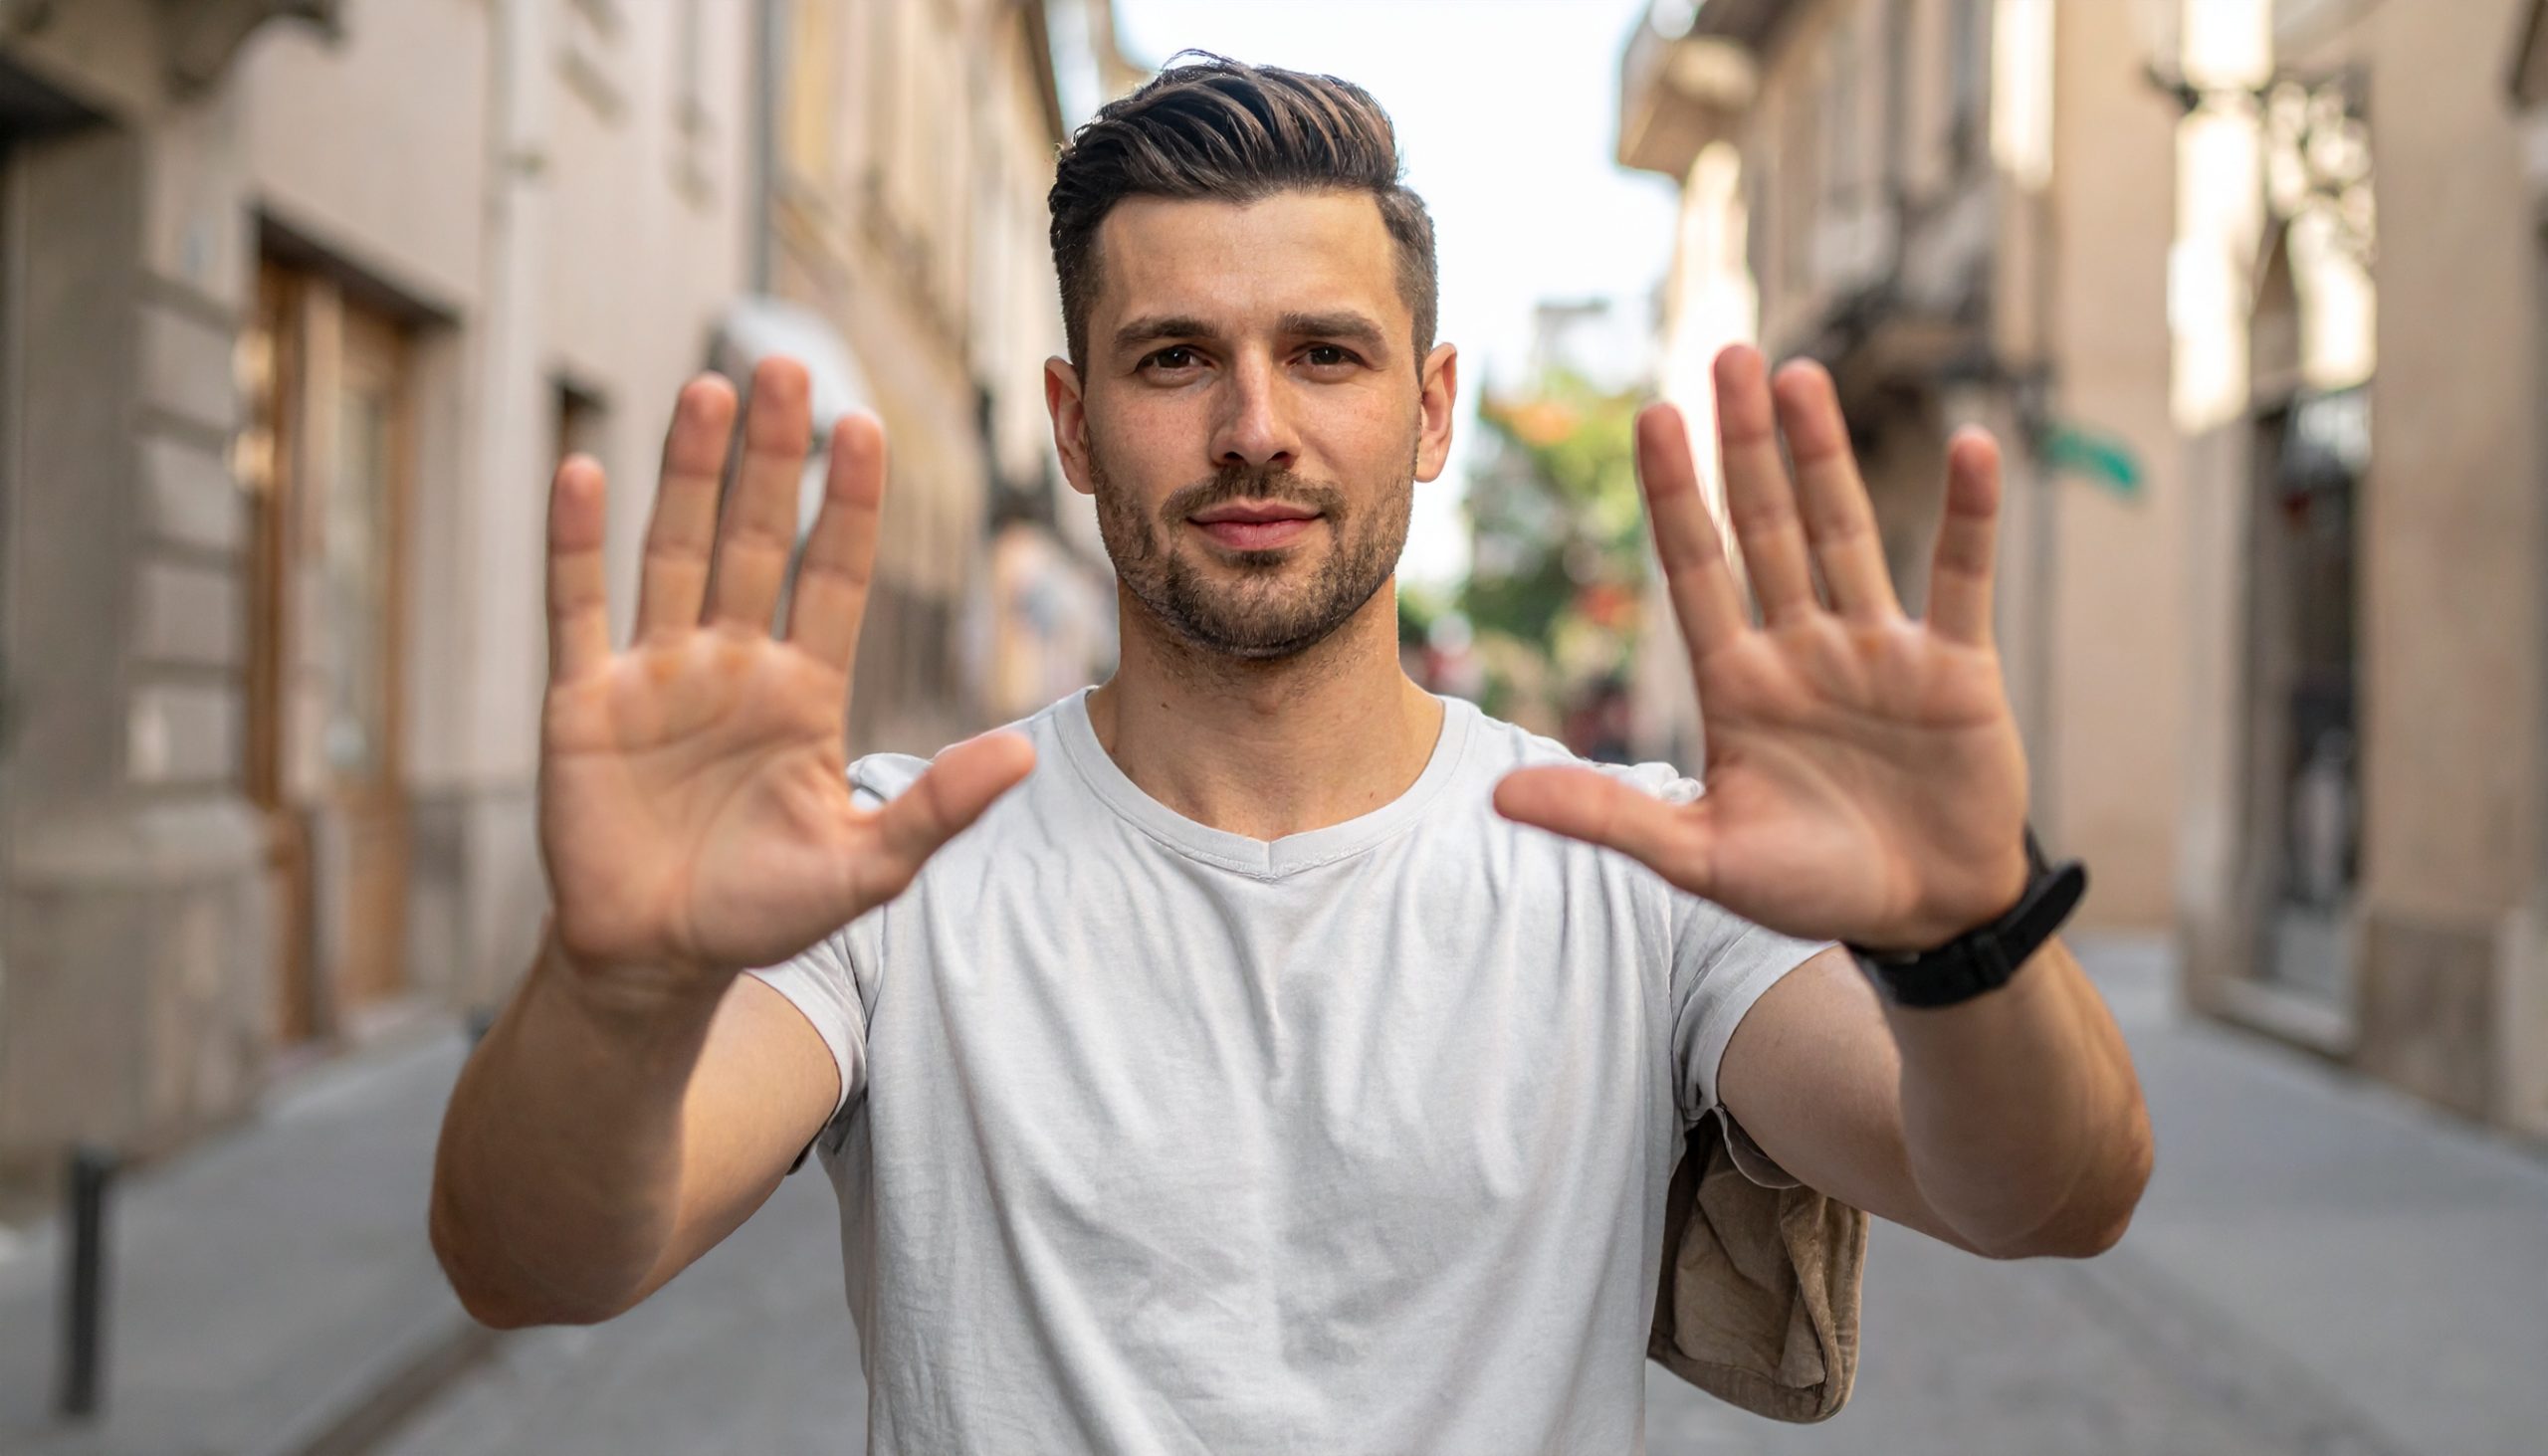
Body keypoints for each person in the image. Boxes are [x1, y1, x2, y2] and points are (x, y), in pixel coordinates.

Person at [428, 55, 2152, 1454]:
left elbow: (2048, 1200)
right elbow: (532, 1263)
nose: (1255, 427)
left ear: (1431, 408)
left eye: (1324, 353)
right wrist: (620, 988)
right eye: (1176, 357)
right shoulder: (889, 864)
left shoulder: (1636, 867)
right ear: (1074, 423)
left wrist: (1962, 930)